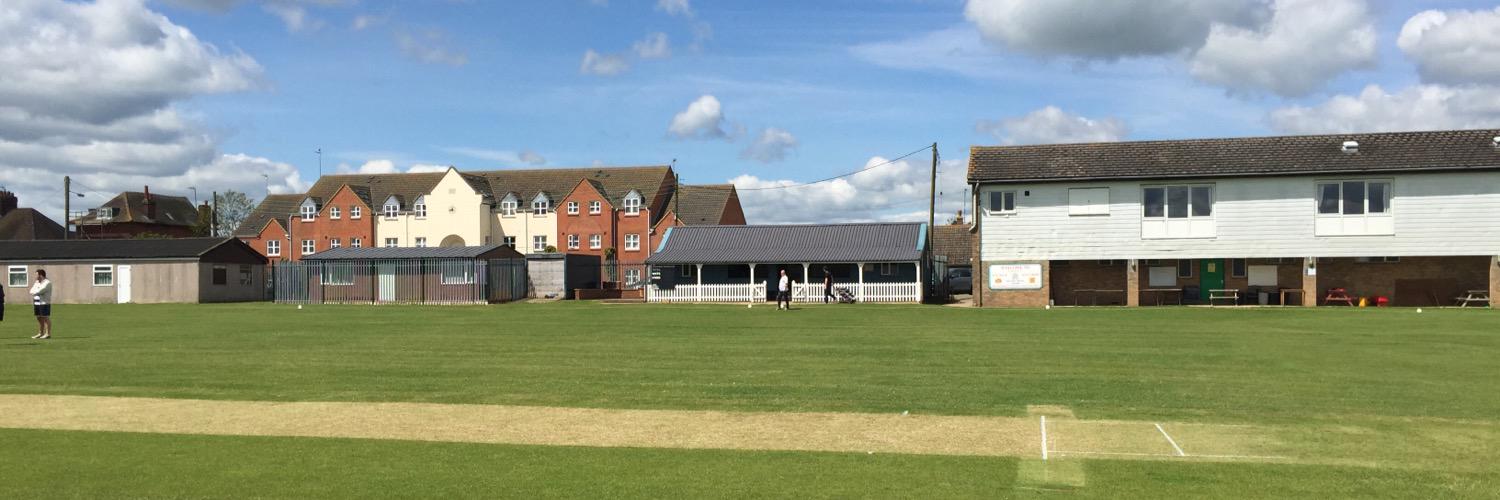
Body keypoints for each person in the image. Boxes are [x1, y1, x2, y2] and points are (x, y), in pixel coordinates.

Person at [30, 269, 51, 340]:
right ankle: (40, 333)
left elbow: (39, 291)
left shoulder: (47, 283)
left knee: (45, 318)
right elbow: (31, 291)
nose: (35, 276)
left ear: (40, 275)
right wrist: (35, 291)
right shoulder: (37, 282)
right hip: (36, 302)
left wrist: (36, 291)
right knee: (38, 318)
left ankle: (47, 334)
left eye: (36, 275)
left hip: (44, 303)